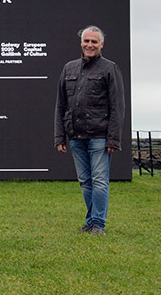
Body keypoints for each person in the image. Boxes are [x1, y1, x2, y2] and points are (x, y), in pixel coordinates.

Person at [54, 25, 125, 235]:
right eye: (87, 41)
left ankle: (98, 224)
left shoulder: (110, 68)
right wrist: (60, 135)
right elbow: (61, 104)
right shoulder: (69, 68)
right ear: (81, 42)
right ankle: (91, 221)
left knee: (100, 181)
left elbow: (117, 105)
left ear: (101, 44)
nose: (90, 45)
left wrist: (113, 139)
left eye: (94, 41)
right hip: (76, 136)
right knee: (85, 181)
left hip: (100, 137)